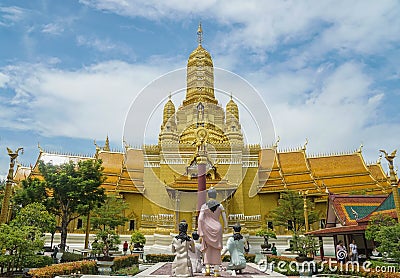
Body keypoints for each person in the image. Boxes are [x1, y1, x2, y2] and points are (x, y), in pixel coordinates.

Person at [198, 187, 228, 277]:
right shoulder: (220, 206)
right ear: (216, 195)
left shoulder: (204, 206)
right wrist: (226, 227)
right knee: (216, 250)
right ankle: (216, 271)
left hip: (207, 229)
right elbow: (224, 218)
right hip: (217, 228)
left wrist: (201, 231)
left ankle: (207, 269)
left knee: (207, 249)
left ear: (208, 195)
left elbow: (200, 219)